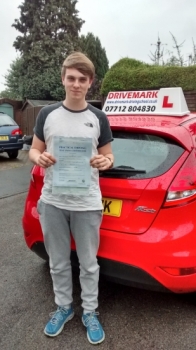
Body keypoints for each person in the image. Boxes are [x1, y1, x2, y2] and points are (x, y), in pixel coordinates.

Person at [29, 52, 114, 345]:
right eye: (71, 78)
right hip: (52, 201)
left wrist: (107, 163)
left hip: (87, 203)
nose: (76, 84)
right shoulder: (47, 115)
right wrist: (39, 157)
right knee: (58, 262)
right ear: (63, 78)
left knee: (89, 264)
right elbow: (33, 151)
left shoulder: (99, 117)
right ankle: (64, 308)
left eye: (82, 79)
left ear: (90, 82)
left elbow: (108, 156)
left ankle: (90, 312)